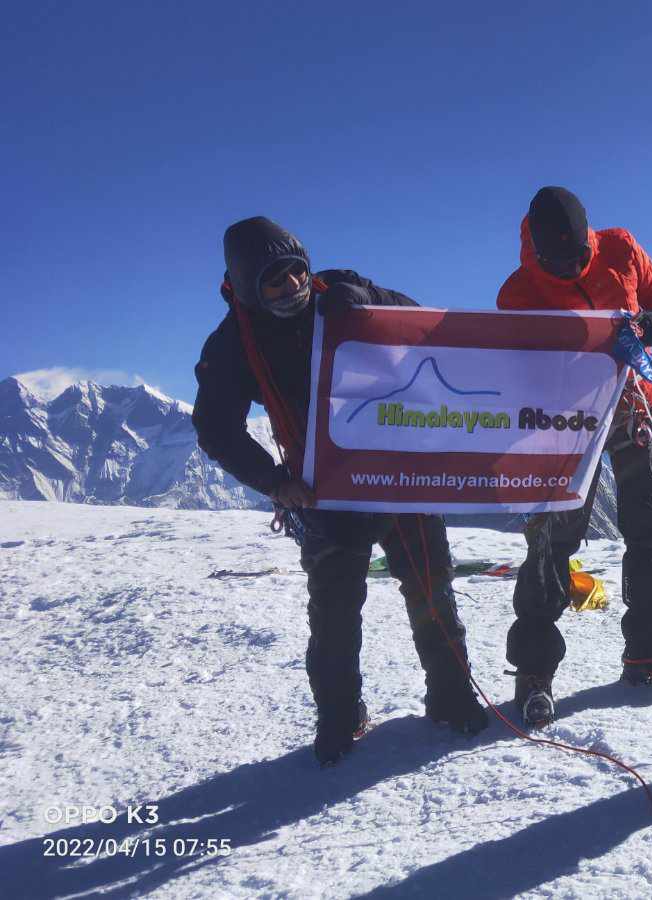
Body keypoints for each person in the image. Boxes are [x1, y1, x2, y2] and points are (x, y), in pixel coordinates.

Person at [193, 216, 488, 765]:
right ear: (245, 286)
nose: (292, 288)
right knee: (333, 613)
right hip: (322, 490)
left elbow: (426, 323)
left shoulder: (341, 291)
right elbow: (214, 426)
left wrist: (371, 298)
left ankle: (451, 697)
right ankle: (338, 716)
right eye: (274, 281)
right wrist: (276, 483)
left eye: (297, 272)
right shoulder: (234, 343)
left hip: (401, 476)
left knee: (432, 590)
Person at [496, 186, 652, 728]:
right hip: (569, 422)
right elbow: (514, 371)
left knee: (648, 530)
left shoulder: (620, 249)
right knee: (552, 541)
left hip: (635, 405)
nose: (573, 266)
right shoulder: (518, 294)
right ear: (538, 253)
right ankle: (535, 670)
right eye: (560, 262)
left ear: (590, 236)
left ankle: (649, 649)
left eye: (580, 254)